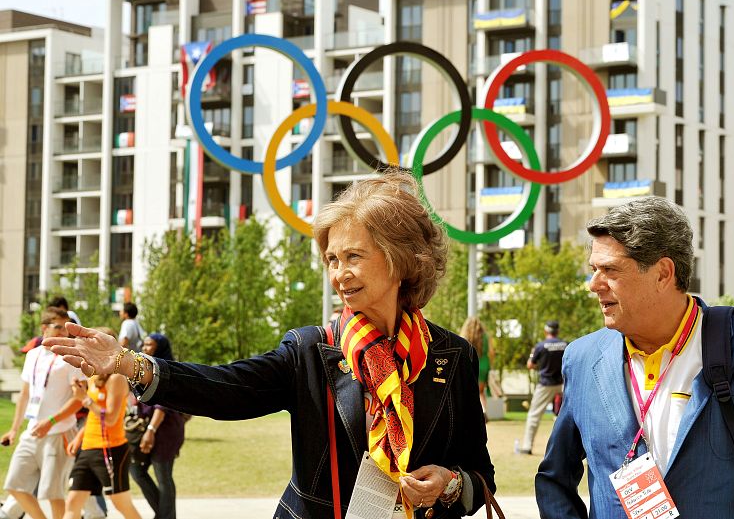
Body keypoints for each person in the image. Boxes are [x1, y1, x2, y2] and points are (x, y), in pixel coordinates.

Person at [45, 171, 495, 519]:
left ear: (400, 259)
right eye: (332, 260)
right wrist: (130, 363)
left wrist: (452, 484)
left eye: (354, 256)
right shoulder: (310, 351)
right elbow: (227, 387)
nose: (339, 274)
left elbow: (480, 474)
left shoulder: (451, 357)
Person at [535, 197, 734, 518]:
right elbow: (553, 479)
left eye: (609, 270)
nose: (593, 285)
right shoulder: (581, 358)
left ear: (663, 273)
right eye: (594, 269)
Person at [2, 307, 86, 519]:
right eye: (58, 327)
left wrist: (50, 422)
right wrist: (13, 430)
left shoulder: (71, 357)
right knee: (14, 486)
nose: (62, 332)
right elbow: (24, 395)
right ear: (44, 328)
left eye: (66, 328)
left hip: (59, 433)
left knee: (53, 494)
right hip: (32, 432)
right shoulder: (32, 355)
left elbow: (80, 400)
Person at [64, 369, 140, 519]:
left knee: (121, 503)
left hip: (111, 448)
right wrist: (79, 437)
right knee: (73, 502)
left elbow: (110, 418)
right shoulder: (93, 376)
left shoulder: (116, 378)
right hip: (88, 448)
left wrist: (85, 398)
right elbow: (95, 414)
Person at [128, 334, 185, 519]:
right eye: (143, 344)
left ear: (159, 347)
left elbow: (162, 406)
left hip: (165, 430)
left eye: (149, 345)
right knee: (136, 470)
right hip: (146, 427)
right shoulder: (146, 367)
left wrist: (151, 431)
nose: (145, 348)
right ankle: (163, 514)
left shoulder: (167, 369)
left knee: (163, 476)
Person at [517, 320, 567, 455]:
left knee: (534, 416)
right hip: (563, 383)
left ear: (546, 331)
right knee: (572, 416)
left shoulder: (540, 346)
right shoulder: (565, 344)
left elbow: (530, 365)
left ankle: (527, 447)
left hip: (545, 384)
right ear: (557, 331)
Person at [458, 317, 494, 418]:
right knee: (480, 392)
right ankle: (484, 411)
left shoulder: (465, 336)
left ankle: (468, 413)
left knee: (467, 390)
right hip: (483, 365)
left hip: (469, 364)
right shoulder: (486, 337)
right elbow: (491, 352)